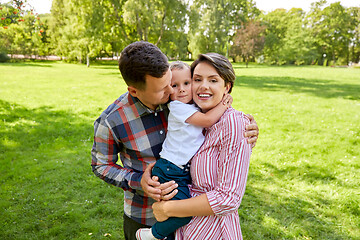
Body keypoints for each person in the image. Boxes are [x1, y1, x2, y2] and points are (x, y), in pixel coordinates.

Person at [91, 41, 259, 240]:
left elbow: (215, 113)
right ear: (134, 91)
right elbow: (100, 165)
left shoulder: (182, 101)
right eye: (163, 89)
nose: (172, 91)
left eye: (172, 81)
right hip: (144, 216)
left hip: (188, 219)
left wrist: (247, 128)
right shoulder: (112, 120)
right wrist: (138, 181)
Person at [152, 53, 252, 239]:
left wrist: (167, 208)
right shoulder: (196, 117)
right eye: (197, 79)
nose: (203, 86)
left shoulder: (233, 123)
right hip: (187, 230)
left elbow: (228, 199)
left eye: (213, 80)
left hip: (213, 231)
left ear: (227, 87)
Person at [136, 61, 232, 240]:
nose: (181, 89)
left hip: (178, 168)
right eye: (175, 85)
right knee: (184, 212)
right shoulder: (177, 107)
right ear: (168, 89)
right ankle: (152, 234)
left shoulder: (193, 106)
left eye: (187, 83)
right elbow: (207, 121)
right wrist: (224, 104)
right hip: (170, 169)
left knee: (180, 209)